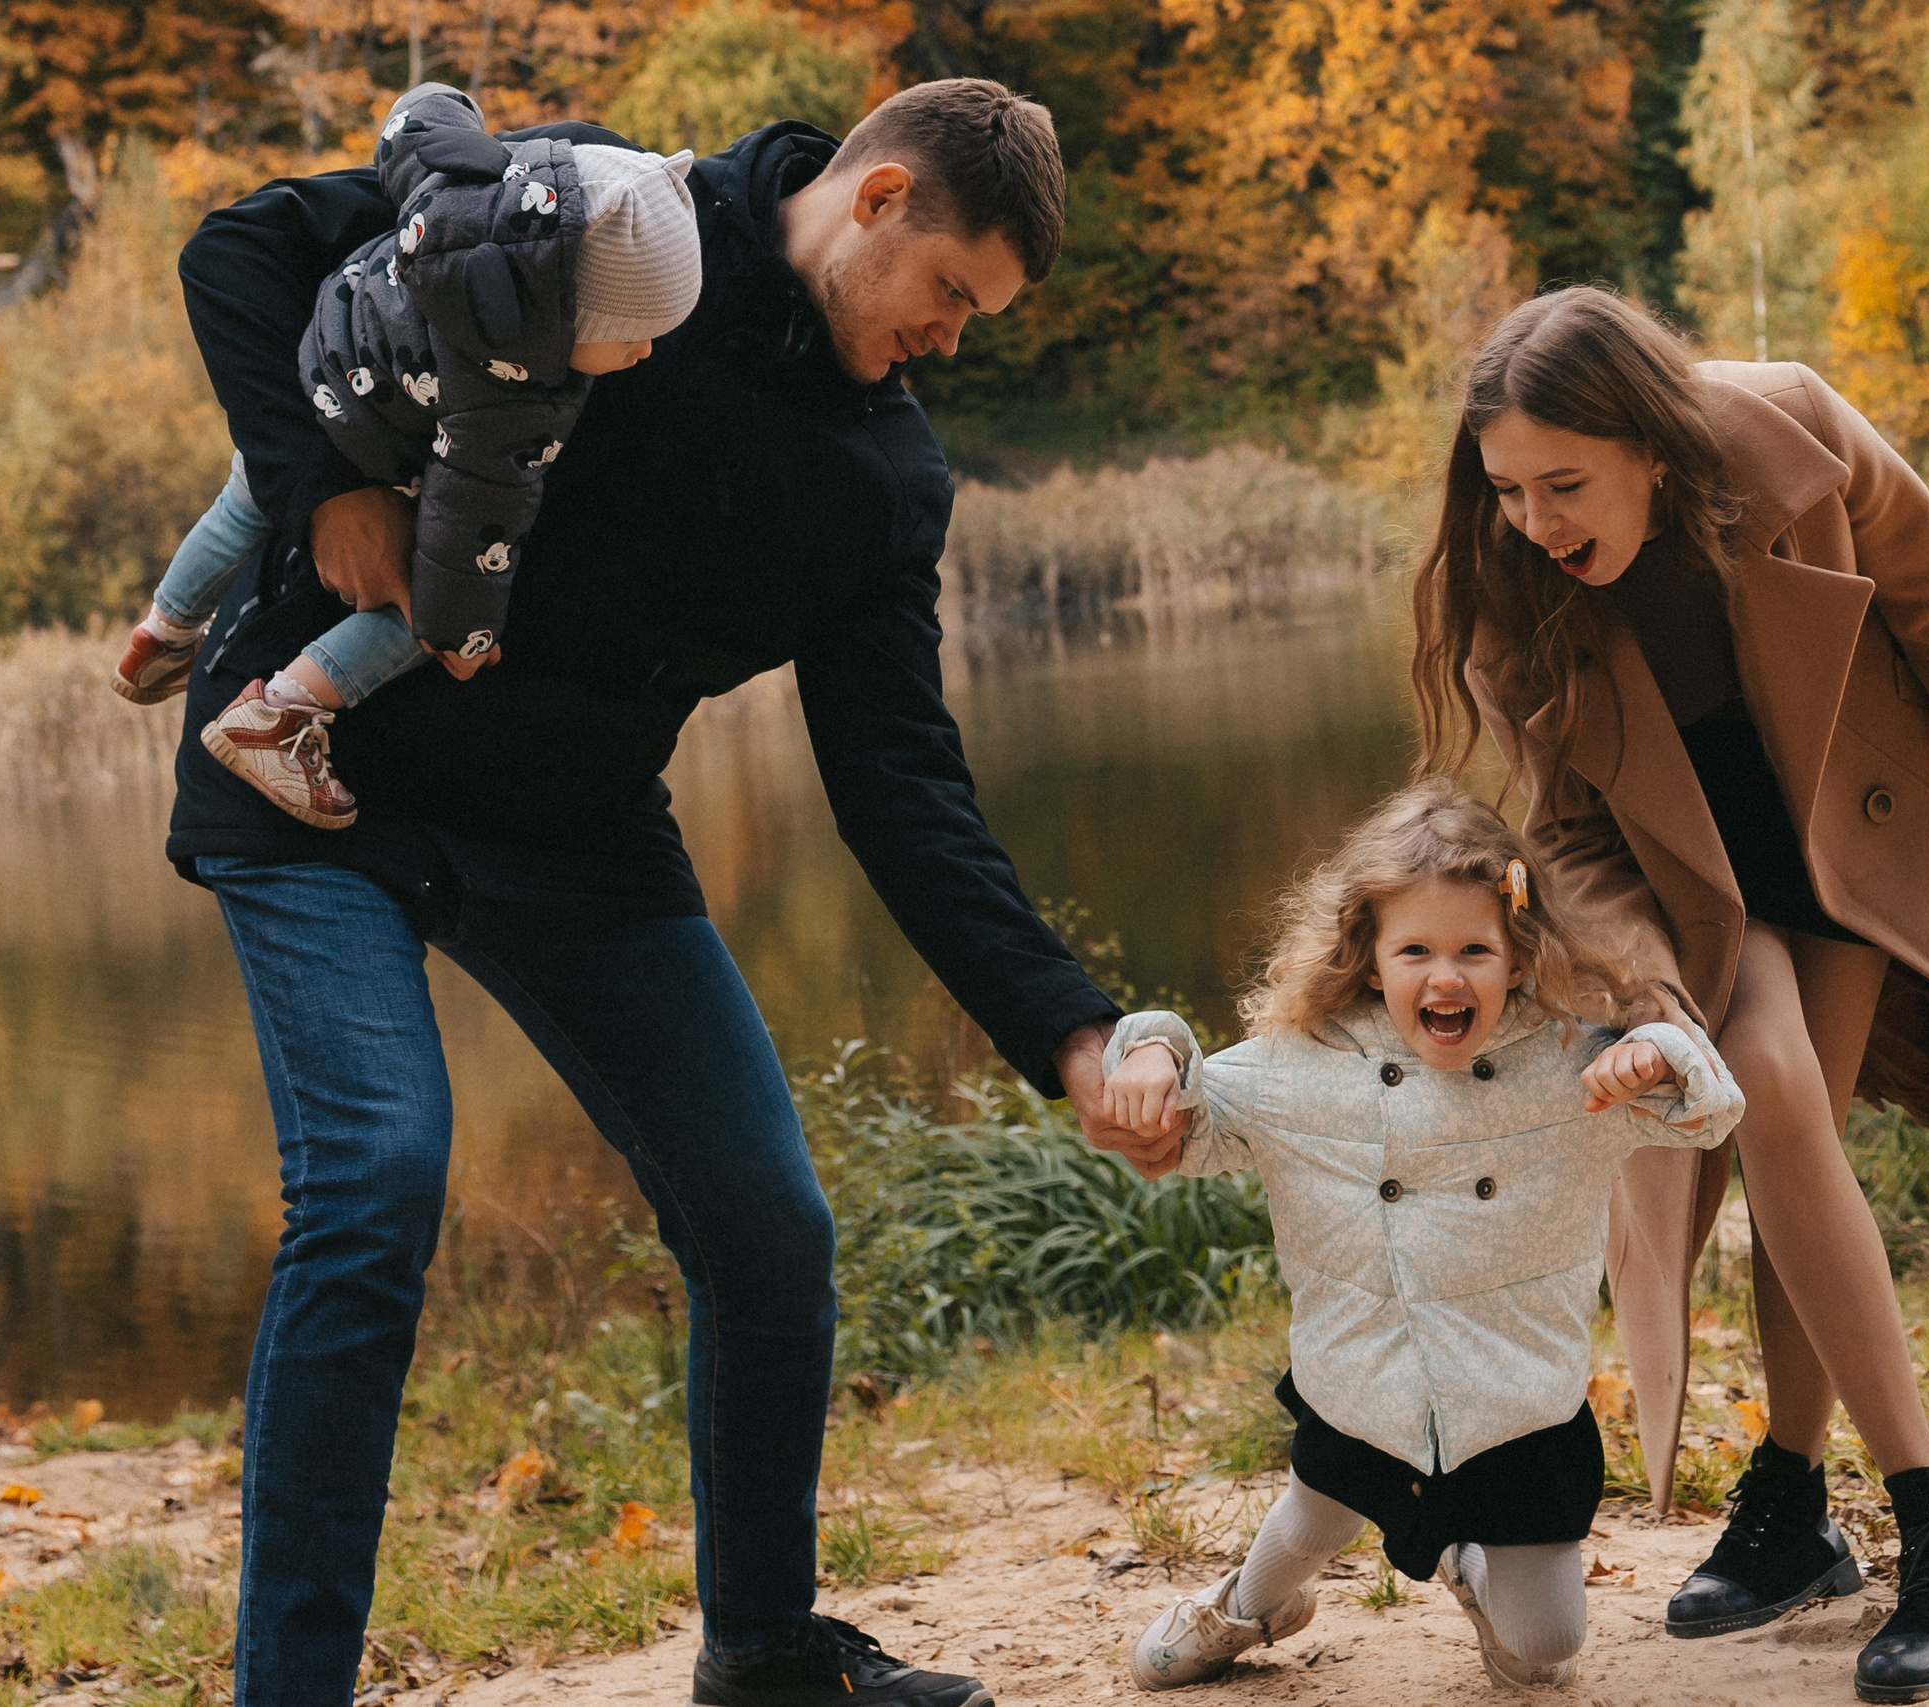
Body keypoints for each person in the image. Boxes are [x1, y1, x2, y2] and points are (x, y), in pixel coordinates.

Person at [173, 77, 1177, 1707]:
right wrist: (321, 492)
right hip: (310, 752)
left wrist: (1066, 1031)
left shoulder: (880, 478)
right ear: (879, 197)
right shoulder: (618, 214)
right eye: (951, 296)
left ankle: (767, 1656)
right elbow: (244, 249)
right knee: (374, 1175)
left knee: (768, 1222)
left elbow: (899, 781)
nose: (952, 339)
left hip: (575, 830)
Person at [1409, 287, 1929, 1705]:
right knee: (1774, 1092)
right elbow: (1568, 836)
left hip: (1854, 831)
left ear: (1650, 444)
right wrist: (1650, 992)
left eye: (1563, 483)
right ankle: (1923, 1514)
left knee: (1798, 1140)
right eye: (1508, 487)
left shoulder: (1794, 432)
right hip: (1686, 889)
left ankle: (1805, 1500)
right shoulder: (1512, 588)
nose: (1532, 518)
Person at [1099, 780, 1745, 1691]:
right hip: (1364, 1385)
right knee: (1309, 1521)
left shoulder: (1574, 1067)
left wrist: (1661, 1050)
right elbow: (1194, 1116)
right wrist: (1154, 1047)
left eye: (1475, 948)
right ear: (1369, 960)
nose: (1447, 976)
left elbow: (1709, 1111)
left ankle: (1462, 1558)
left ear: (1518, 957)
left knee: (1545, 1654)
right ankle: (1249, 1605)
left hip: (1512, 1408)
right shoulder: (1303, 1065)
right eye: (1416, 950)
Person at [118, 83, 703, 832]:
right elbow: (474, 525)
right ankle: (279, 712)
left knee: (247, 493)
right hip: (372, 440)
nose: (644, 353)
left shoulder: (467, 191)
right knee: (424, 610)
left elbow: (421, 124)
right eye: (630, 336)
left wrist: (444, 99)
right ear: (567, 315)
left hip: (318, 363)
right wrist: (462, 635)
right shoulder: (511, 393)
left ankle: (163, 632)